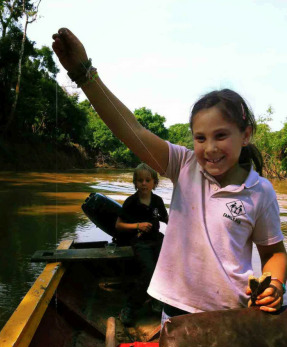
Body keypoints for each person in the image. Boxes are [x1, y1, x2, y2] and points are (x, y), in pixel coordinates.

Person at [52, 28, 287, 326]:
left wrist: (276, 285)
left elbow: (273, 252)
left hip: (234, 314)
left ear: (246, 135)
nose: (210, 148)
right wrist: (84, 74)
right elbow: (131, 130)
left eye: (221, 136)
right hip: (177, 314)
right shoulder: (184, 165)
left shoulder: (261, 191)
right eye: (200, 138)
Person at [115, 163, 168, 325]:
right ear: (135, 183)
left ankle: (157, 299)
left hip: (157, 239)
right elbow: (118, 225)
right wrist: (138, 225)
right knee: (150, 271)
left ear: (154, 182)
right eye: (140, 180)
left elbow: (168, 221)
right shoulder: (131, 202)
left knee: (167, 267)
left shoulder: (158, 201)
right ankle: (130, 306)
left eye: (147, 180)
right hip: (139, 242)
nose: (143, 183)